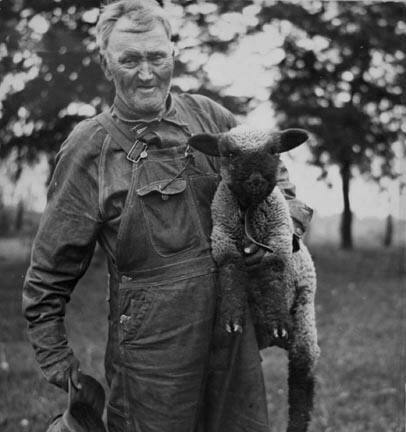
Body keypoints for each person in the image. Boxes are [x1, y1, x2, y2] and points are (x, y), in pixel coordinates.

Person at [22, 1, 313, 431]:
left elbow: (282, 185)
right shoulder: (89, 149)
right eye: (130, 59)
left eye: (157, 57)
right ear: (107, 64)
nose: (146, 73)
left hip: (232, 341)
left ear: (173, 54)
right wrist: (59, 363)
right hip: (153, 358)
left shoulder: (211, 117)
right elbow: (47, 273)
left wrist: (278, 233)